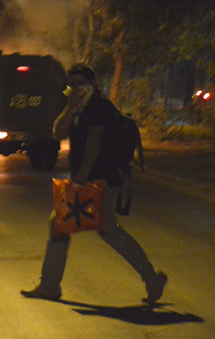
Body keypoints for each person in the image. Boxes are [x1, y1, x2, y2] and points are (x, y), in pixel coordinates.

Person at [21, 63, 167, 303]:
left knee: (100, 230)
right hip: (88, 180)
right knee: (66, 225)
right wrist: (70, 105)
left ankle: (152, 278)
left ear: (93, 83)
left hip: (100, 180)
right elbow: (57, 133)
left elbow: (95, 139)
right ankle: (49, 285)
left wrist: (83, 173)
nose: (77, 88)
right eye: (72, 84)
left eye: (81, 83)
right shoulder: (80, 108)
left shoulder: (98, 107)